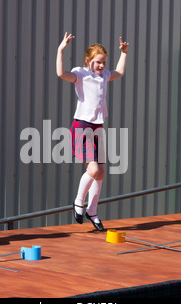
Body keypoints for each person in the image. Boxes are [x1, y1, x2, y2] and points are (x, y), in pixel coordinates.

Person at [56, 32, 129, 231]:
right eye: (98, 62)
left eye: (104, 62)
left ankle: (93, 211)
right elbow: (61, 74)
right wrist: (60, 50)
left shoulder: (104, 75)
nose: (102, 66)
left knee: (101, 173)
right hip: (82, 126)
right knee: (93, 169)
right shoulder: (81, 73)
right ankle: (79, 202)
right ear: (88, 61)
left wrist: (124, 53)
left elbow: (120, 72)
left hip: (97, 127)